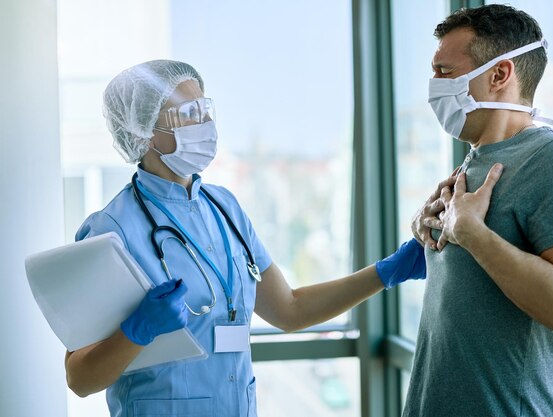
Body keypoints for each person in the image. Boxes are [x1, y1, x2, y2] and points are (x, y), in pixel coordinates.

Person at [64, 60, 426, 417]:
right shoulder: (110, 230)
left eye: (206, 109)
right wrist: (137, 331)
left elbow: (290, 310)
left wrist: (386, 272)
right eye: (189, 113)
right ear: (143, 131)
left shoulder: (224, 207)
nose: (205, 124)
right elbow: (79, 377)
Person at [405, 5, 553, 417]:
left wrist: (474, 236)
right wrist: (426, 232)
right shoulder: (473, 160)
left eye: (445, 72)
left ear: (500, 75)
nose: (433, 86)